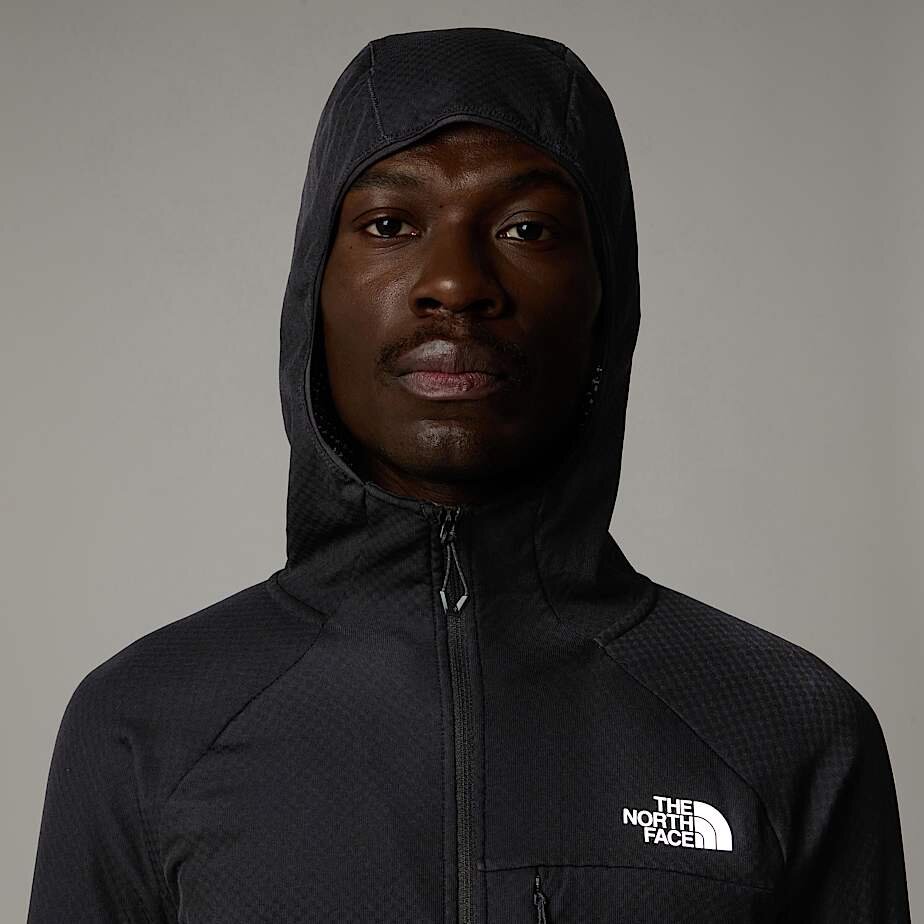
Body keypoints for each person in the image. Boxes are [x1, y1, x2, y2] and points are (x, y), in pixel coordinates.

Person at [27, 26, 910, 923]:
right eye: (389, 225)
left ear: (606, 301)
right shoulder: (145, 725)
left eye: (527, 229)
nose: (455, 283)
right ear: (312, 295)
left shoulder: (786, 728)